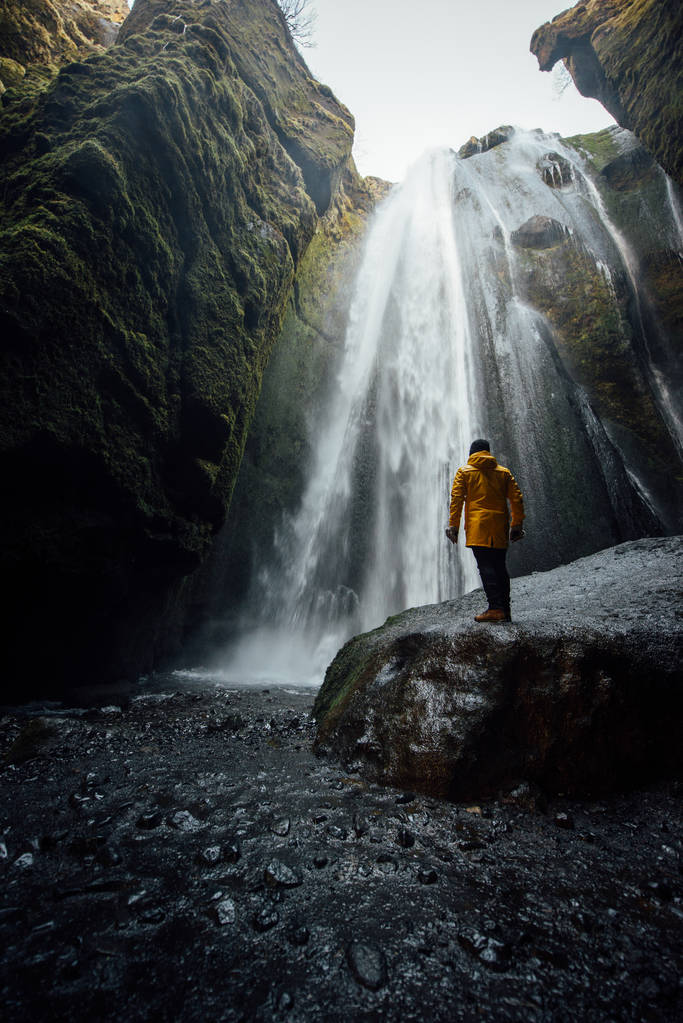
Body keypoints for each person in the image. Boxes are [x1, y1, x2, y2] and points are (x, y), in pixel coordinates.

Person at [445, 439, 525, 623]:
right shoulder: (503, 473)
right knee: (500, 565)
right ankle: (505, 609)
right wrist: (517, 525)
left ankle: (495, 608)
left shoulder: (464, 472)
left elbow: (456, 499)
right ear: (488, 452)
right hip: (499, 526)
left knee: (485, 565)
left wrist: (453, 526)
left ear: (471, 454)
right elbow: (516, 498)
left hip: (478, 526)